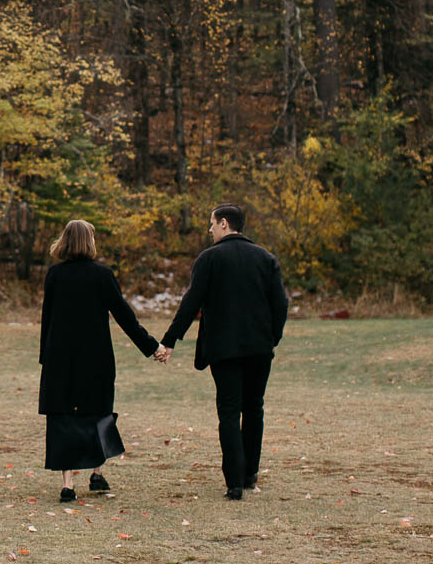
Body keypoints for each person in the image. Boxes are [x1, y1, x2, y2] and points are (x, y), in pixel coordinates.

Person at [154, 203, 289, 501]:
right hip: (259, 348)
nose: (209, 229)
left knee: (229, 411)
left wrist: (170, 341)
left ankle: (234, 483)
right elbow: (281, 304)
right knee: (254, 407)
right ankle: (250, 472)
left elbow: (190, 304)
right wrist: (272, 337)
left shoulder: (209, 259)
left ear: (225, 224)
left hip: (223, 349)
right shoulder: (266, 259)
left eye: (212, 223)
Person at [38, 218, 160, 503]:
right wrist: (151, 346)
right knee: (98, 412)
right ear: (90, 242)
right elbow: (124, 316)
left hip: (61, 357)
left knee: (63, 416)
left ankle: (67, 484)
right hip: (97, 357)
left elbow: (48, 319)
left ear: (65, 241)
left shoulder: (55, 275)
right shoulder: (103, 275)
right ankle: (96, 473)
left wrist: (46, 356)